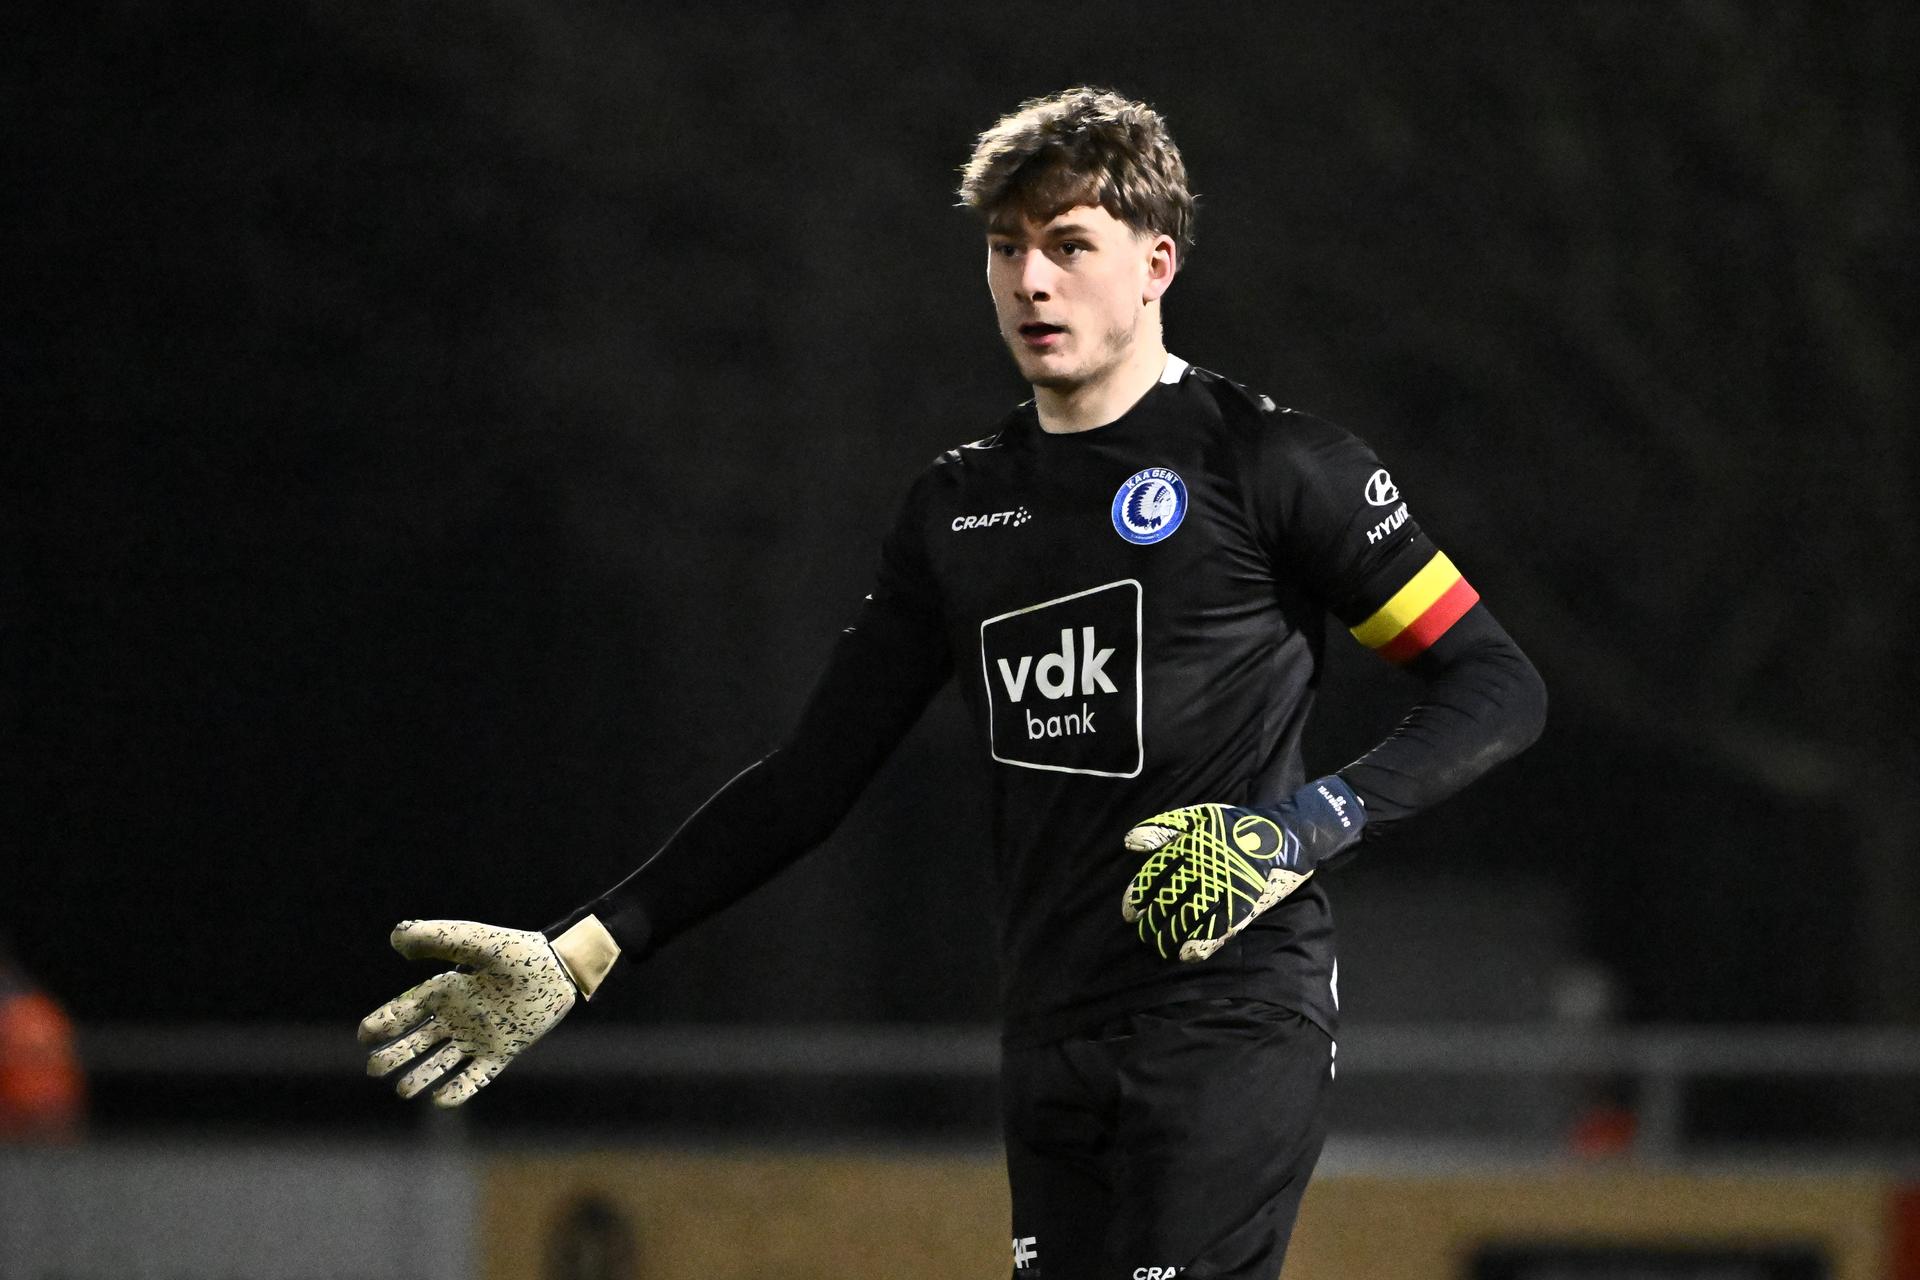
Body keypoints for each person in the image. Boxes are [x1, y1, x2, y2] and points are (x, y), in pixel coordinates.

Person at [360, 86, 1546, 1278]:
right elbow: (811, 778)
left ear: (1156, 264)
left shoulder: (1277, 465)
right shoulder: (957, 510)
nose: (1032, 281)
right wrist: (580, 951)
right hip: (1048, 1032)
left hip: (1230, 1013)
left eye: (1070, 245)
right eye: (1006, 248)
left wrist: (1296, 830)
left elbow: (1495, 683)